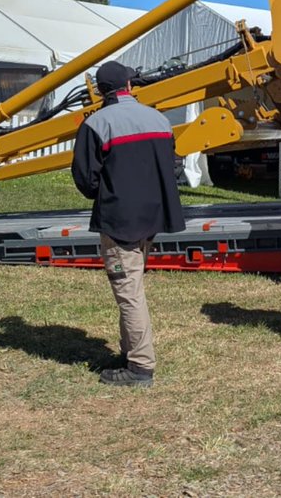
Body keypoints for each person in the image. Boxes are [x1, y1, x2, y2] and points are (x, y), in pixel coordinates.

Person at [70, 61, 184, 387]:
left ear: (102, 91)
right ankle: (130, 351)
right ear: (130, 86)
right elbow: (173, 165)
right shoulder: (159, 119)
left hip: (120, 221)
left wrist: (108, 192)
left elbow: (85, 178)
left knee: (129, 292)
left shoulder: (96, 123)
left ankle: (140, 368)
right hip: (152, 218)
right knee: (131, 288)